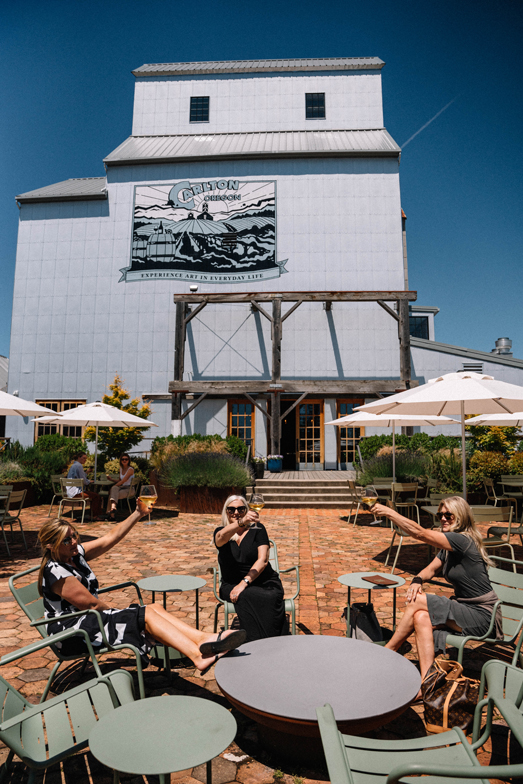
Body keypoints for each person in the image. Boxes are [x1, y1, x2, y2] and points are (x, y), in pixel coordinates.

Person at [38, 505, 246, 673]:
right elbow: (92, 604)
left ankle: (203, 638)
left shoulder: (74, 555)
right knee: (144, 615)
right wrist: (120, 613)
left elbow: (110, 538)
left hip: (89, 621)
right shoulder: (57, 573)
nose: (74, 541)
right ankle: (197, 656)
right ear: (50, 545)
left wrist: (137, 514)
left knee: (153, 607)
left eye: (74, 535)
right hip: (73, 634)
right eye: (66, 540)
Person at [373, 495, 502, 689]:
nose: (443, 518)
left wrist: (390, 513)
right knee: (421, 617)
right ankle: (428, 683)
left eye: (448, 515)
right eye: (440, 514)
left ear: (461, 517)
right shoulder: (448, 546)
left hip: (483, 616)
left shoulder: (462, 540)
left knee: (417, 601)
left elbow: (420, 533)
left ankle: (388, 651)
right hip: (464, 608)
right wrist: (417, 579)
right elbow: (431, 570)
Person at [214, 495, 287, 642]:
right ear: (226, 512)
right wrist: (241, 523)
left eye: (241, 509)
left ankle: (268, 641)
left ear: (246, 510)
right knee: (246, 595)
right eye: (231, 509)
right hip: (231, 584)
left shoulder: (258, 529)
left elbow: (263, 560)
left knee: (269, 596)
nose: (236, 512)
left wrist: (244, 583)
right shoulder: (222, 532)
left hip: (263, 581)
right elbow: (220, 538)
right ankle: (257, 641)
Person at [66, 452, 103, 520]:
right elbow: (84, 481)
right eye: (83, 458)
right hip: (76, 493)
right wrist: (89, 481)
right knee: (96, 496)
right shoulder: (79, 466)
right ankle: (95, 516)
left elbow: (79, 478)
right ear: (79, 458)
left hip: (69, 492)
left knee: (94, 495)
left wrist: (86, 472)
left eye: (85, 458)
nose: (85, 460)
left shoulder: (74, 465)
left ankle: (94, 514)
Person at [106, 453, 135, 520]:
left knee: (112, 494)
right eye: (122, 459)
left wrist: (111, 488)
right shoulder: (121, 469)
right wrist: (112, 479)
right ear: (121, 461)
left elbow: (123, 481)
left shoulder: (130, 469)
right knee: (114, 489)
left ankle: (111, 514)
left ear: (128, 460)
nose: (124, 461)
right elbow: (119, 480)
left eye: (126, 459)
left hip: (129, 489)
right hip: (122, 488)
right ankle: (113, 508)